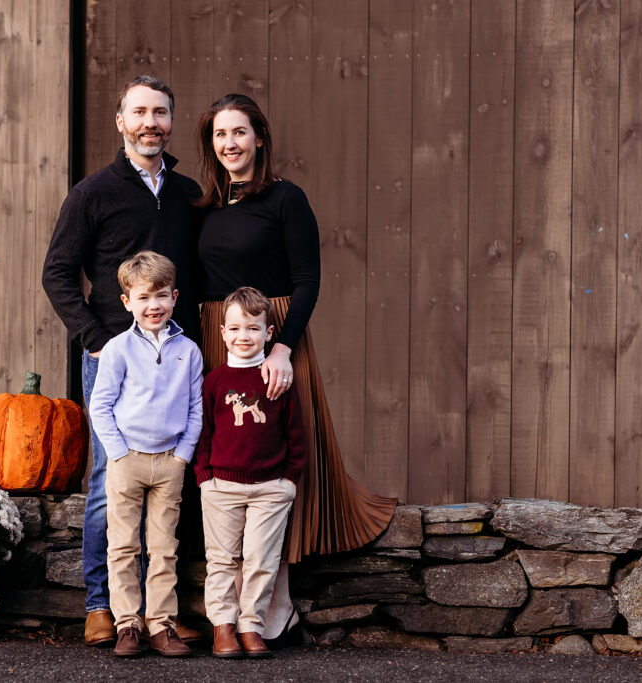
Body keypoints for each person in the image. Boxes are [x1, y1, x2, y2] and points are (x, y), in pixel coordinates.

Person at [194, 93, 399, 645]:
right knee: (230, 462)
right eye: (219, 135)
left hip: (274, 336)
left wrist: (282, 346)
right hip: (222, 340)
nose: (230, 143)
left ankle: (273, 602)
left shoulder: (287, 199)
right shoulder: (204, 207)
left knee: (273, 460)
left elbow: (308, 280)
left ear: (259, 137)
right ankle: (234, 610)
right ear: (210, 145)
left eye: (239, 132)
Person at [42, 75, 202, 648]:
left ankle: (164, 611)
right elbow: (57, 271)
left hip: (174, 359)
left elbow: (200, 276)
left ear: (171, 121)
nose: (149, 123)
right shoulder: (93, 192)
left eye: (159, 113)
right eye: (138, 113)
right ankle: (101, 605)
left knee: (172, 484)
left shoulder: (188, 194)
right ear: (120, 122)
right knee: (111, 484)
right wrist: (93, 337)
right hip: (114, 358)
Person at [87, 251, 204, 657]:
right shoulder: (118, 349)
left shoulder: (188, 350)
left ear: (174, 296)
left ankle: (162, 624)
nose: (152, 306)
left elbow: (195, 407)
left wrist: (183, 455)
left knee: (163, 547)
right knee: (122, 546)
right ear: (127, 302)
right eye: (142, 298)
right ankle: (127, 624)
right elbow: (100, 405)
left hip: (170, 461)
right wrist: (117, 453)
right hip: (127, 460)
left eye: (160, 296)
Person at [194, 287, 307, 658]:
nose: (245, 336)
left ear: (269, 333)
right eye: (236, 328)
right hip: (221, 486)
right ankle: (223, 627)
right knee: (222, 560)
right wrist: (204, 479)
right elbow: (204, 432)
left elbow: (295, 433)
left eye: (254, 329)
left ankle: (251, 626)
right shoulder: (214, 382)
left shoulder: (277, 379)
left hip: (271, 488)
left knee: (261, 560)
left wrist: (289, 480)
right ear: (223, 333)